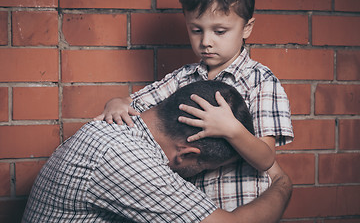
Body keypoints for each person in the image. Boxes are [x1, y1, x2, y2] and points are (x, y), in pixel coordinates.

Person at [94, 0, 294, 210]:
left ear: (247, 28)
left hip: (241, 207)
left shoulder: (260, 81)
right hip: (191, 209)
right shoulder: (183, 77)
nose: (206, 41)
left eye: (219, 31)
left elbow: (266, 158)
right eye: (196, 30)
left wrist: (232, 129)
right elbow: (133, 103)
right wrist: (115, 103)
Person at [22, 81, 292, 223]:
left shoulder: (120, 132)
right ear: (186, 155)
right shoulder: (128, 158)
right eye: (205, 170)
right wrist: (282, 185)